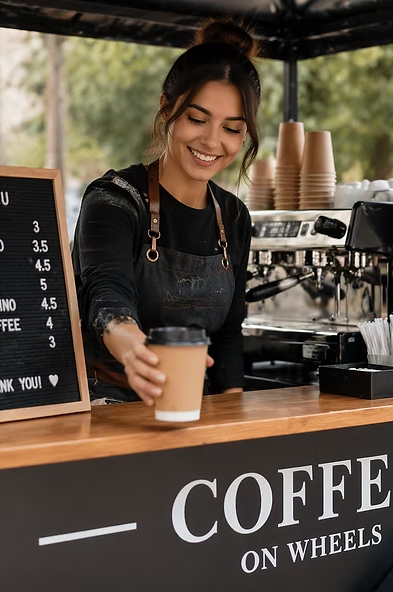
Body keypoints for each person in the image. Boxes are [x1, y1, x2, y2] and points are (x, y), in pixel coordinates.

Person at [72, 18, 260, 405]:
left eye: (232, 128)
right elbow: (107, 299)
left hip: (193, 408)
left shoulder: (235, 216)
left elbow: (227, 337)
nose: (212, 141)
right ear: (166, 108)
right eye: (196, 119)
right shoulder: (115, 200)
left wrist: (232, 419)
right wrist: (136, 350)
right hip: (107, 406)